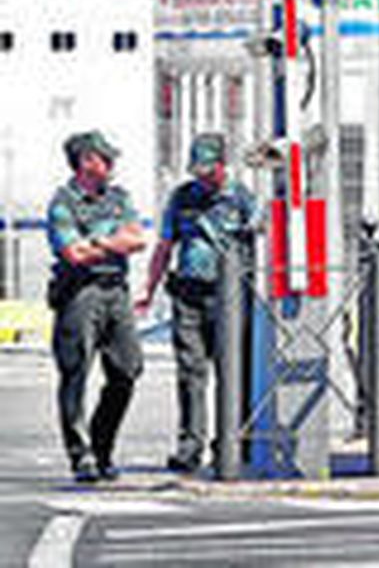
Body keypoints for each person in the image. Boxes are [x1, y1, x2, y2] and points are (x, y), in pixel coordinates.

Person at [136, 132, 259, 475]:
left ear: (222, 165)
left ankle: (232, 444)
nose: (203, 178)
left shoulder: (242, 199)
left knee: (232, 372)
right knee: (190, 374)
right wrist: (148, 289)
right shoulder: (182, 197)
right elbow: (164, 246)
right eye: (198, 171)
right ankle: (190, 446)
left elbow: (259, 244)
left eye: (209, 171)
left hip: (229, 298)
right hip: (188, 294)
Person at [46, 130, 147, 483]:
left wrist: (98, 242)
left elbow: (137, 239)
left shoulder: (119, 198)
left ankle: (102, 447)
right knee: (75, 372)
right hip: (80, 293)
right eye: (105, 158)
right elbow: (73, 253)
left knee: (128, 369)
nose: (111, 164)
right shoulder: (63, 202)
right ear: (86, 162)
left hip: (116, 291)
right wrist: (113, 242)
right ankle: (81, 455)